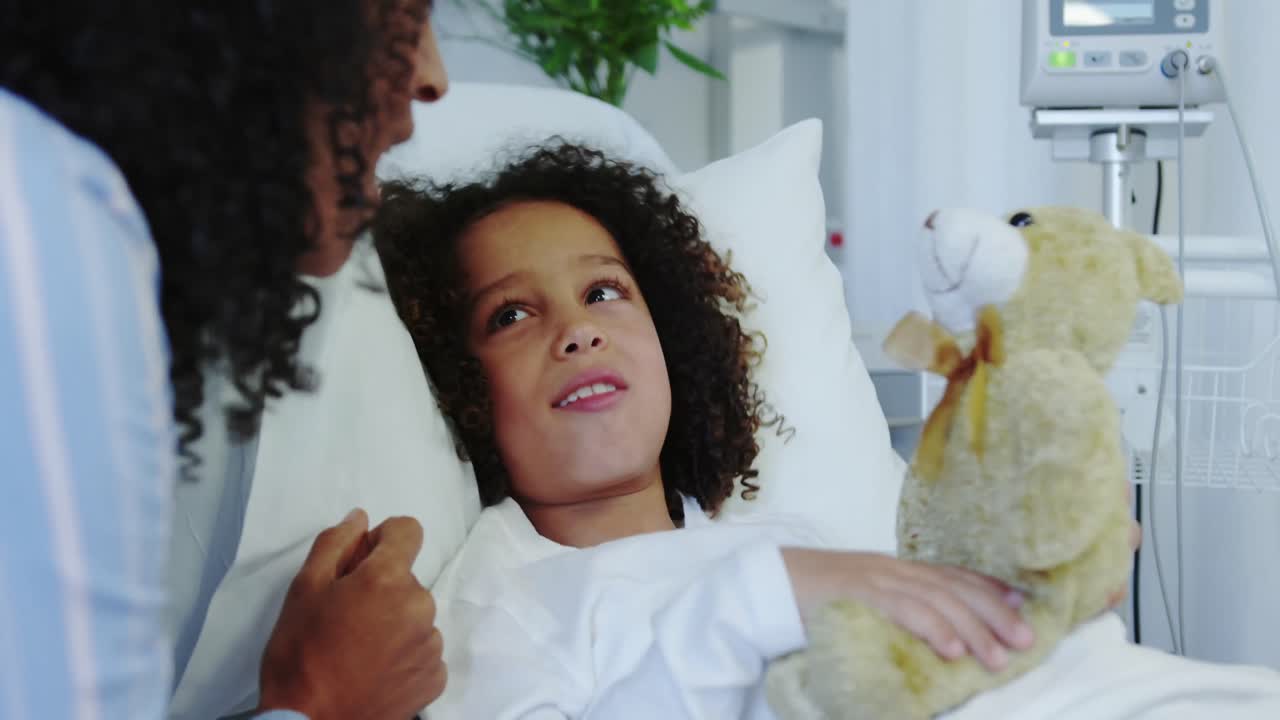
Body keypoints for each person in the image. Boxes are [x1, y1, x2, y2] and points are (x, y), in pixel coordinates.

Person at [373, 144, 1079, 718]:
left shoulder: (786, 538)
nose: (578, 331)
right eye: (511, 315)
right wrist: (750, 604)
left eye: (603, 293)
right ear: (456, 379)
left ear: (673, 338)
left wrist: (1029, 598)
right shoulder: (496, 605)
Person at [1, 2, 450, 717]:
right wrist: (322, 701)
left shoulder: (174, 302)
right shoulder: (38, 220)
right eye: (408, 14)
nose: (434, 77)